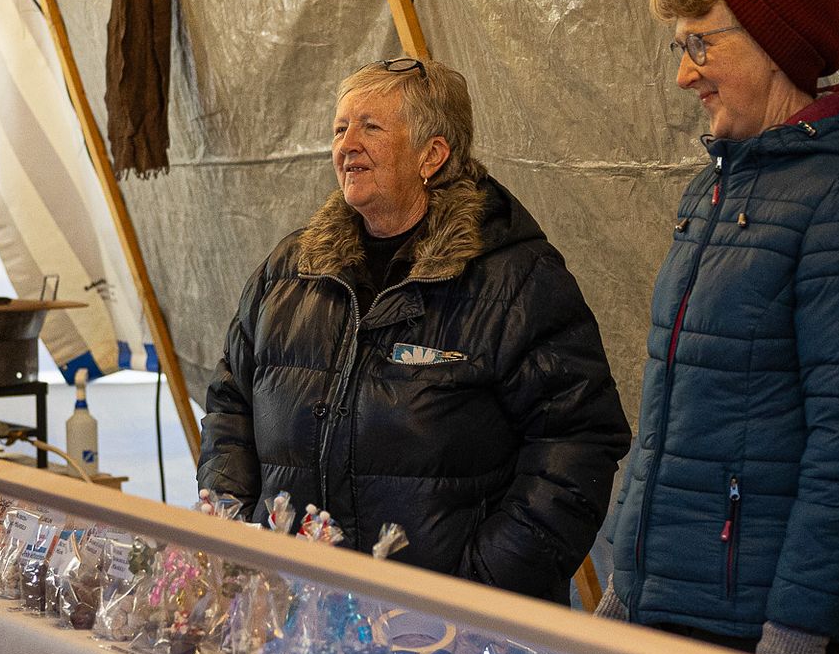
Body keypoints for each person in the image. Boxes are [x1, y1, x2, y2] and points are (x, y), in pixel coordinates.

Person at [199, 57, 629, 601]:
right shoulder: (290, 270)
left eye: (371, 127)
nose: (347, 145)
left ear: (432, 154)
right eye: (339, 128)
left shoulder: (515, 279)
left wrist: (482, 589)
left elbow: (578, 442)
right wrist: (235, 530)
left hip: (451, 633)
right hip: (294, 611)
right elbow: (230, 404)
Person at [601, 0, 839, 654]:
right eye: (680, 48)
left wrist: (796, 632)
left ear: (773, 44)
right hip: (675, 608)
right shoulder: (714, 188)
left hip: (760, 630)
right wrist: (626, 583)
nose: (684, 74)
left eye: (700, 44)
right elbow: (675, 410)